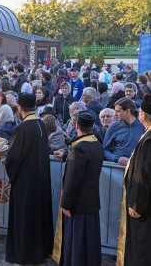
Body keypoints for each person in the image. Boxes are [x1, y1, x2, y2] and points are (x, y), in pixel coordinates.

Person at [5, 93, 53, 264]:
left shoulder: (23, 128)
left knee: (25, 218)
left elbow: (14, 158)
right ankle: (40, 251)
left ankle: (25, 253)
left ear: (20, 108)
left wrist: (6, 160)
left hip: (25, 182)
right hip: (39, 180)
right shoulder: (40, 123)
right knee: (38, 217)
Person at [53, 111, 103, 266]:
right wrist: (67, 156)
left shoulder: (79, 149)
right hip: (91, 201)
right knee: (90, 241)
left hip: (78, 204)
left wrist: (66, 204)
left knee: (76, 242)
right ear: (93, 126)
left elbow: (72, 181)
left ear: (76, 125)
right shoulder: (96, 143)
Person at [118, 95, 151, 266]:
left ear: (143, 116)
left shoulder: (148, 140)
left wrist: (136, 204)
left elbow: (143, 175)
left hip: (144, 208)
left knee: (141, 247)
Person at [103, 97, 145, 165]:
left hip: (137, 167)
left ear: (128, 111)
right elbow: (104, 150)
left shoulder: (143, 126)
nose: (115, 114)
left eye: (118, 111)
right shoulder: (113, 126)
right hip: (116, 167)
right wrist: (117, 158)